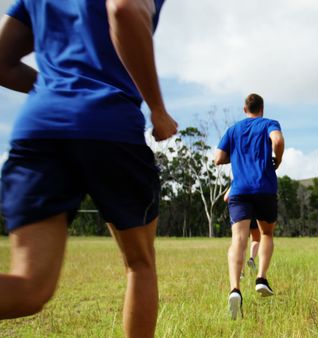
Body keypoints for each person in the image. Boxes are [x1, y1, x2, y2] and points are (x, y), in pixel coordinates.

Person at [0, 1, 177, 337]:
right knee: (139, 263)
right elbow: (124, 9)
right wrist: (157, 108)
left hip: (40, 127)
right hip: (110, 125)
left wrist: (57, 91)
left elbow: (2, 62)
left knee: (30, 287)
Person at [214, 93, 284, 320]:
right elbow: (278, 141)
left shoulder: (233, 130)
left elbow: (217, 158)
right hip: (264, 188)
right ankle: (261, 279)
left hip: (239, 190)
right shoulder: (269, 123)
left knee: (238, 240)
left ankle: (235, 289)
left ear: (245, 110)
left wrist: (235, 156)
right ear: (261, 109)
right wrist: (278, 159)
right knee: (266, 234)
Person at [224, 187, 261, 273]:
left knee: (241, 244)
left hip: (241, 213)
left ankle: (241, 271)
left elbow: (226, 198)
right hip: (254, 213)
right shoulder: (256, 179)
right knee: (256, 239)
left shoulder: (238, 180)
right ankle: (252, 259)